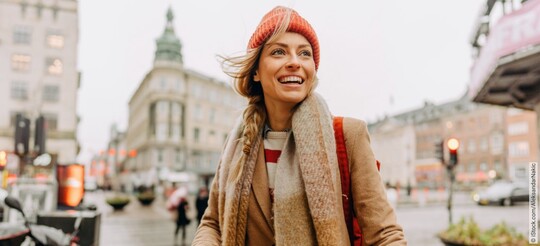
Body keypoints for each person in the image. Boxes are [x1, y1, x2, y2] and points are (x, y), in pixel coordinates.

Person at [193, 6, 406, 245]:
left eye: (304, 54)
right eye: (278, 52)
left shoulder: (348, 136)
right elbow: (212, 224)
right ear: (255, 72)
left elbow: (385, 234)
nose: (295, 62)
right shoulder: (236, 145)